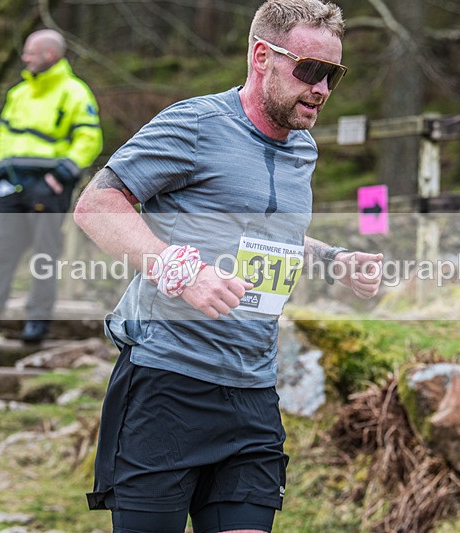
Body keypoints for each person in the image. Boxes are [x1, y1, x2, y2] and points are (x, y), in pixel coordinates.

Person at [74, 1, 382, 531]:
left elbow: (267, 235)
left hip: (252, 392)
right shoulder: (196, 125)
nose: (322, 89)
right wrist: (178, 268)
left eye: (333, 74)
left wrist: (334, 259)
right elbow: (97, 205)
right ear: (262, 56)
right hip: (166, 382)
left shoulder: (303, 147)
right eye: (310, 70)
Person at [0, 28, 102, 343]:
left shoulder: (75, 92)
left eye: (31, 51)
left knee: (44, 258)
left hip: (49, 188)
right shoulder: (18, 93)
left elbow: (89, 138)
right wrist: (0, 171)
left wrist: (61, 175)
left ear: (50, 55)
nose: (24, 57)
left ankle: (37, 325)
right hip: (12, 189)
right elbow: (3, 136)